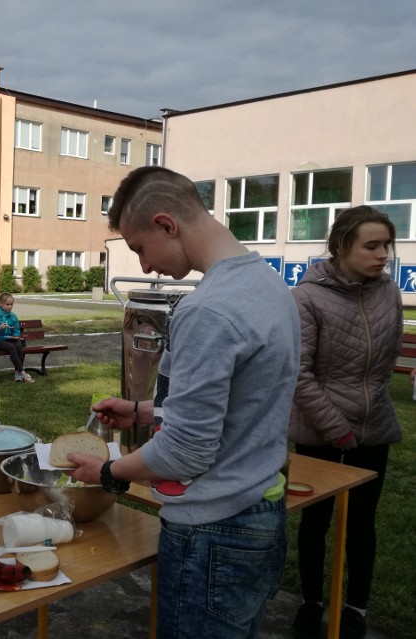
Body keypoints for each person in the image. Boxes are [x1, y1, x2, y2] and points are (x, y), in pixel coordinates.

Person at [64, 166, 300, 638]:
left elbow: (186, 451)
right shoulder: (268, 285)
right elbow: (238, 404)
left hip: (212, 532)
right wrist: (143, 411)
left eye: (140, 249)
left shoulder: (207, 309)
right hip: (258, 512)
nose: (146, 266)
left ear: (167, 225)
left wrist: (106, 474)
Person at [288, 206, 402, 639]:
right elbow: (299, 373)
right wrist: (336, 425)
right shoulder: (307, 298)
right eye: (371, 246)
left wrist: (368, 408)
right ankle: (311, 603)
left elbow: (385, 360)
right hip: (320, 428)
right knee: (316, 521)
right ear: (341, 246)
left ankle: (356, 607)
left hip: (374, 428)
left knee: (362, 522)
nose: (382, 255)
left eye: (386, 246)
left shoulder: (388, 292)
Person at [0, 292, 33, 383]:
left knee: (18, 344)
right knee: (11, 347)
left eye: (11, 304)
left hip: (8, 338)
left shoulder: (13, 316)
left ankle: (17, 373)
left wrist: (15, 336)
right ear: (0, 303)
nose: (9, 307)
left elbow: (16, 329)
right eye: (7, 304)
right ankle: (22, 372)